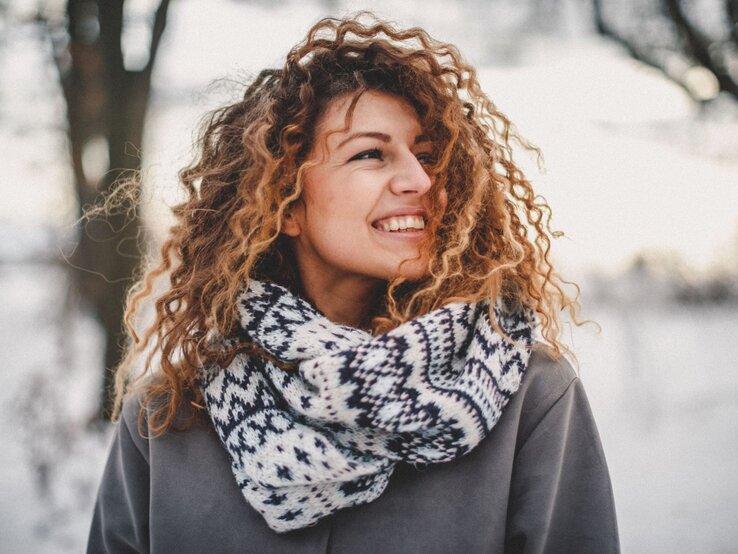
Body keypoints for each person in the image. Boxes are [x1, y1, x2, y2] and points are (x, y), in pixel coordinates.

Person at [87, 14, 619, 554]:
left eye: (428, 155)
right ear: (284, 203)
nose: (420, 181)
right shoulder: (171, 416)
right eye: (370, 153)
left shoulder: (530, 395)